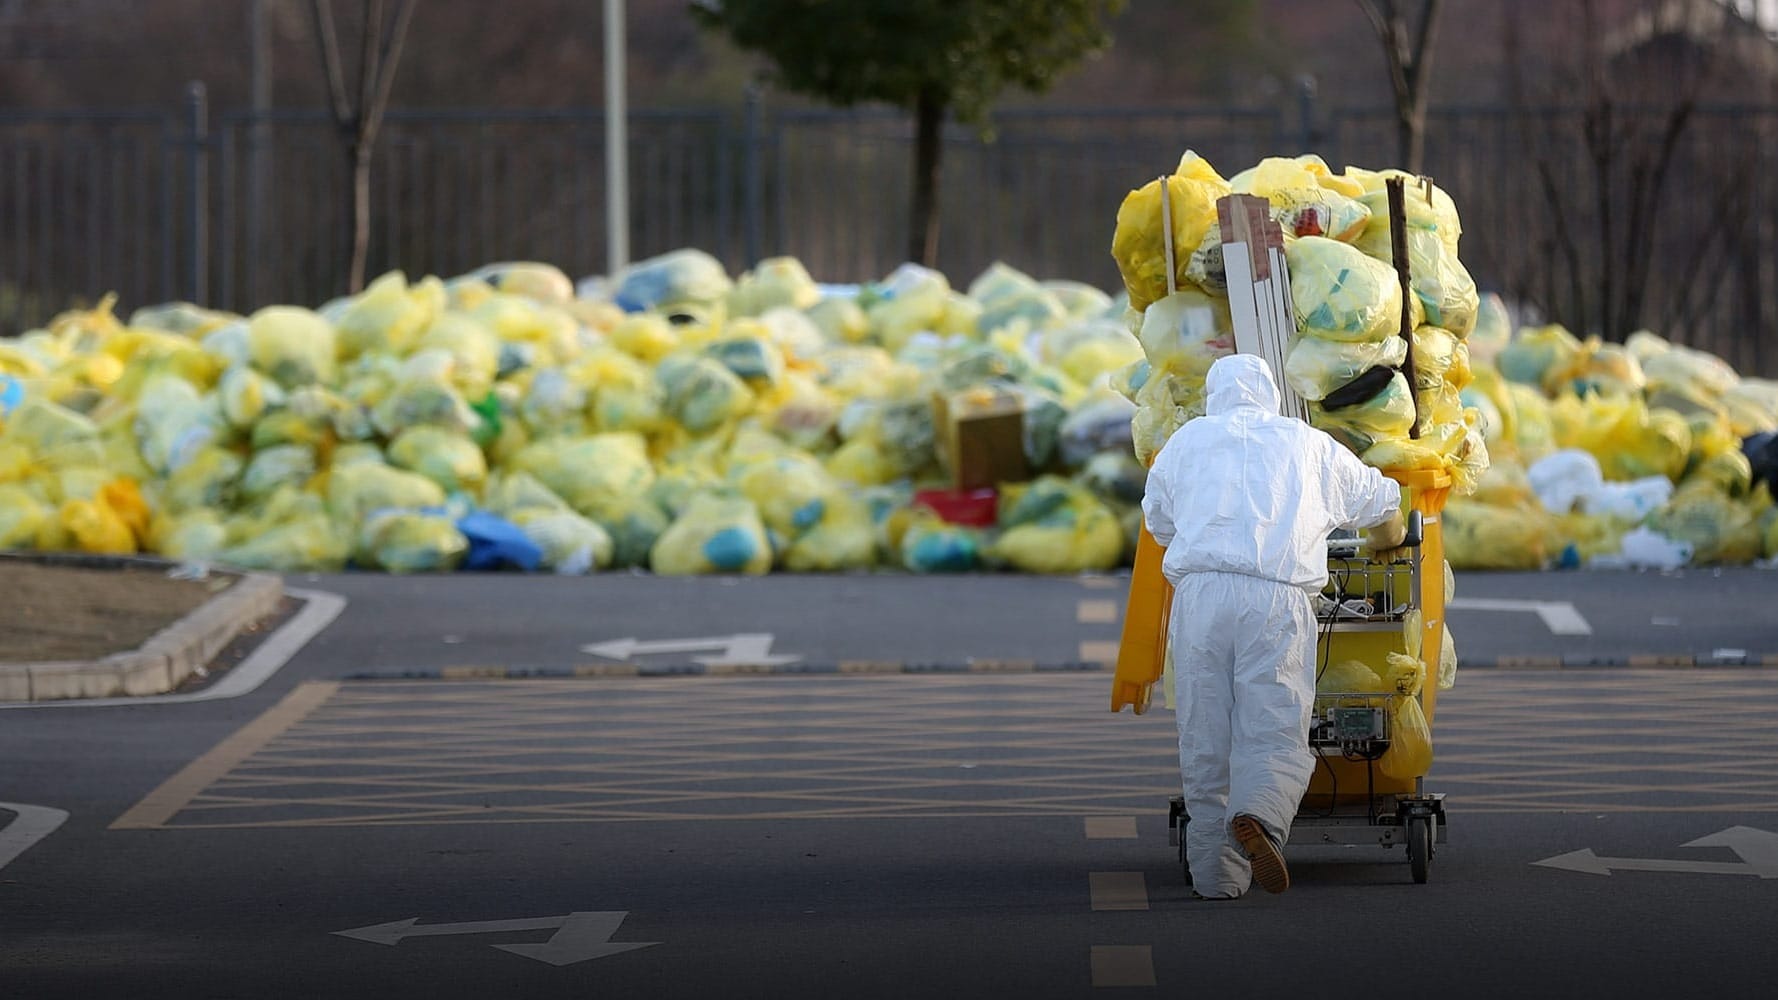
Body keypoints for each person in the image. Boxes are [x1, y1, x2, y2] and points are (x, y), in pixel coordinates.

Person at [1141, 354, 1405, 898]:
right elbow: (1380, 499)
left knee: (1205, 733)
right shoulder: (1306, 443)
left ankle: (1216, 879)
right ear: (1271, 395)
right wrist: (1390, 533)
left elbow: (1158, 521)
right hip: (1276, 598)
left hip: (1201, 595)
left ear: (1216, 395)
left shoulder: (1186, 443)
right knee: (1273, 724)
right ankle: (1259, 813)